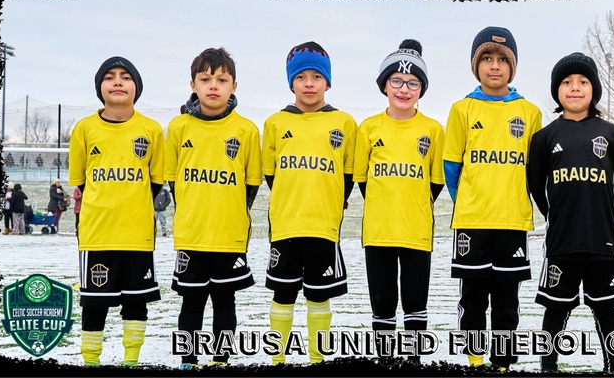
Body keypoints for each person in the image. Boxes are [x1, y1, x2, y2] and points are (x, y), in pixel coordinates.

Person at [442, 26, 541, 371]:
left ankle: (502, 364)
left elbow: (534, 171)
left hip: (512, 222)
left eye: (503, 59)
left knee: (506, 302)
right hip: (472, 222)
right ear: (476, 64)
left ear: (513, 66)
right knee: (472, 300)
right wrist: (471, 200)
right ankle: (474, 361)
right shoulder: (462, 109)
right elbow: (451, 167)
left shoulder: (529, 112)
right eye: (486, 58)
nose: (495, 66)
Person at [527, 52, 614, 373]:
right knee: (555, 311)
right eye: (567, 82)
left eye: (583, 82)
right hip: (562, 242)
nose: (575, 88)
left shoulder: (611, 134)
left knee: (607, 310)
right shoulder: (545, 137)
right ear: (557, 90)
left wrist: (601, 214)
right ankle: (548, 367)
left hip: (601, 242)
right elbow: (535, 185)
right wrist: (554, 215)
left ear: (593, 89)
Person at [165, 47, 262, 369]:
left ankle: (221, 360)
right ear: (192, 84)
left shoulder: (246, 130)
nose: (213, 86)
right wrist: (193, 210)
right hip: (192, 234)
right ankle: (188, 361)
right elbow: (173, 181)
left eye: (221, 80)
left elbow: (250, 185)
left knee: (225, 301)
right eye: (205, 79)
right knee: (191, 302)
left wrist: (230, 213)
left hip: (228, 235)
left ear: (234, 86)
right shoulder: (178, 127)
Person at [261, 41, 357, 365]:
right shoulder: (275, 123)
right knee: (283, 295)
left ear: (327, 82)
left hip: (323, 225)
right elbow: (272, 175)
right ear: (291, 82)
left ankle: (318, 360)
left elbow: (347, 175)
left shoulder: (344, 123)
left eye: (317, 76)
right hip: (286, 224)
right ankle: (277, 361)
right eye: (301, 77)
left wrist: (328, 204)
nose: (309, 83)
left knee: (319, 296)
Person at [68, 56, 165, 366]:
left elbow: (155, 181)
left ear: (137, 87)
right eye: (110, 77)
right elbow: (80, 181)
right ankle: (91, 361)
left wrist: (132, 204)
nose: (118, 82)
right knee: (94, 304)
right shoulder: (84, 129)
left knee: (136, 303)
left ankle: (131, 361)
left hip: (137, 234)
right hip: (97, 233)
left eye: (126, 76)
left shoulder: (151, 130)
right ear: (100, 87)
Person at [352, 39, 444, 364]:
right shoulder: (368, 129)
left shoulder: (433, 130)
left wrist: (411, 203)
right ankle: (385, 363)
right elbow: (363, 180)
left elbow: (435, 182)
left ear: (421, 89)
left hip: (416, 232)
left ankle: (414, 363)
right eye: (397, 81)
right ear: (384, 85)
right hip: (378, 232)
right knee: (383, 304)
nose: (404, 89)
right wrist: (385, 204)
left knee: (415, 304)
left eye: (413, 83)